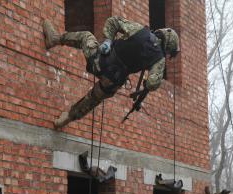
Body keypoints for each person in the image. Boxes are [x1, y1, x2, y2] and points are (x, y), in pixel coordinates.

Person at [42, 16, 180, 128]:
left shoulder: (140, 30)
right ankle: (66, 119)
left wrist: (108, 41)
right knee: (93, 99)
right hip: (112, 81)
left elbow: (113, 21)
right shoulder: (159, 59)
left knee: (86, 37)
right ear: (168, 46)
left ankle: (55, 39)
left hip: (100, 62)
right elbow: (152, 83)